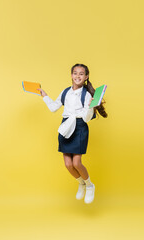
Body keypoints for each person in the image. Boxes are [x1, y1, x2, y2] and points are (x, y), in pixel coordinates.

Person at [38, 63, 108, 204]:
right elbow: (53, 108)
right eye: (75, 73)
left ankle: (89, 185)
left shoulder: (87, 94)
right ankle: (81, 183)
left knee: (77, 162)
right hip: (65, 127)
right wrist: (45, 96)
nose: (77, 76)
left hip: (79, 127)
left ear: (86, 77)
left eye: (81, 74)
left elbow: (87, 118)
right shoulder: (65, 92)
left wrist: (91, 106)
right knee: (68, 165)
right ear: (71, 75)